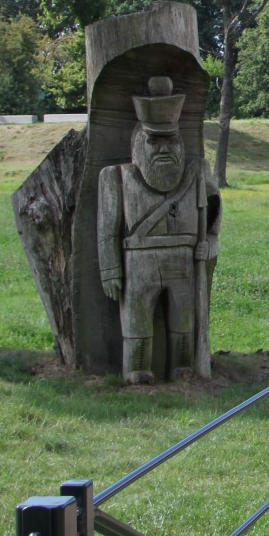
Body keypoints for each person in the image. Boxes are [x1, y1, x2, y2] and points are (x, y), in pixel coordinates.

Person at [97, 77, 220, 384]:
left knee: (183, 322)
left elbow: (215, 213)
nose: (164, 148)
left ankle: (182, 367)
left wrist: (211, 242)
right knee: (137, 322)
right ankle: (137, 369)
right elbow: (107, 227)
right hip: (138, 261)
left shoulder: (196, 171)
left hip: (183, 259)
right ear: (138, 143)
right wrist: (111, 268)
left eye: (171, 140)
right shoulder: (116, 177)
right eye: (154, 141)